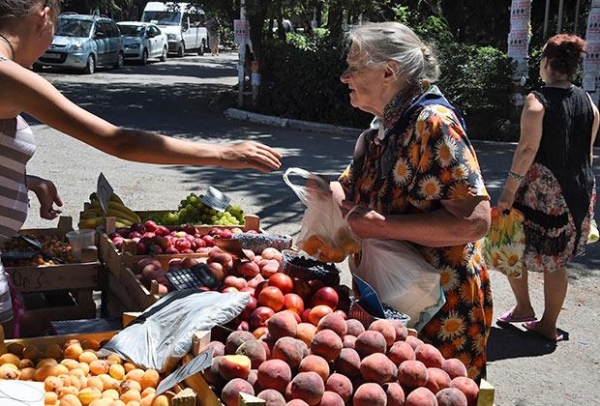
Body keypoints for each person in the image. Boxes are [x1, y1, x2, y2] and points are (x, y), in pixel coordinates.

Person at [0, 0, 282, 335]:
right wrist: (223, 154)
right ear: (43, 15)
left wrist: (26, 180)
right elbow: (119, 142)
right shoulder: (8, 75)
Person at [329, 22, 492, 381]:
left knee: (432, 389)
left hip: (439, 312)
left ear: (389, 71)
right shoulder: (383, 127)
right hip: (393, 301)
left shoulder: (434, 124)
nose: (345, 77)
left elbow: (475, 222)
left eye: (354, 66)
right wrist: (330, 200)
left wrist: (382, 226)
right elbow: (347, 187)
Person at [496, 34, 598, 342]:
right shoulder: (588, 102)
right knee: (558, 261)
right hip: (578, 190)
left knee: (509, 241)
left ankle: (524, 306)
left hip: (542, 190)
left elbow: (527, 150)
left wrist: (508, 193)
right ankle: (547, 323)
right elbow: (586, 150)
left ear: (546, 63)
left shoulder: (536, 101)